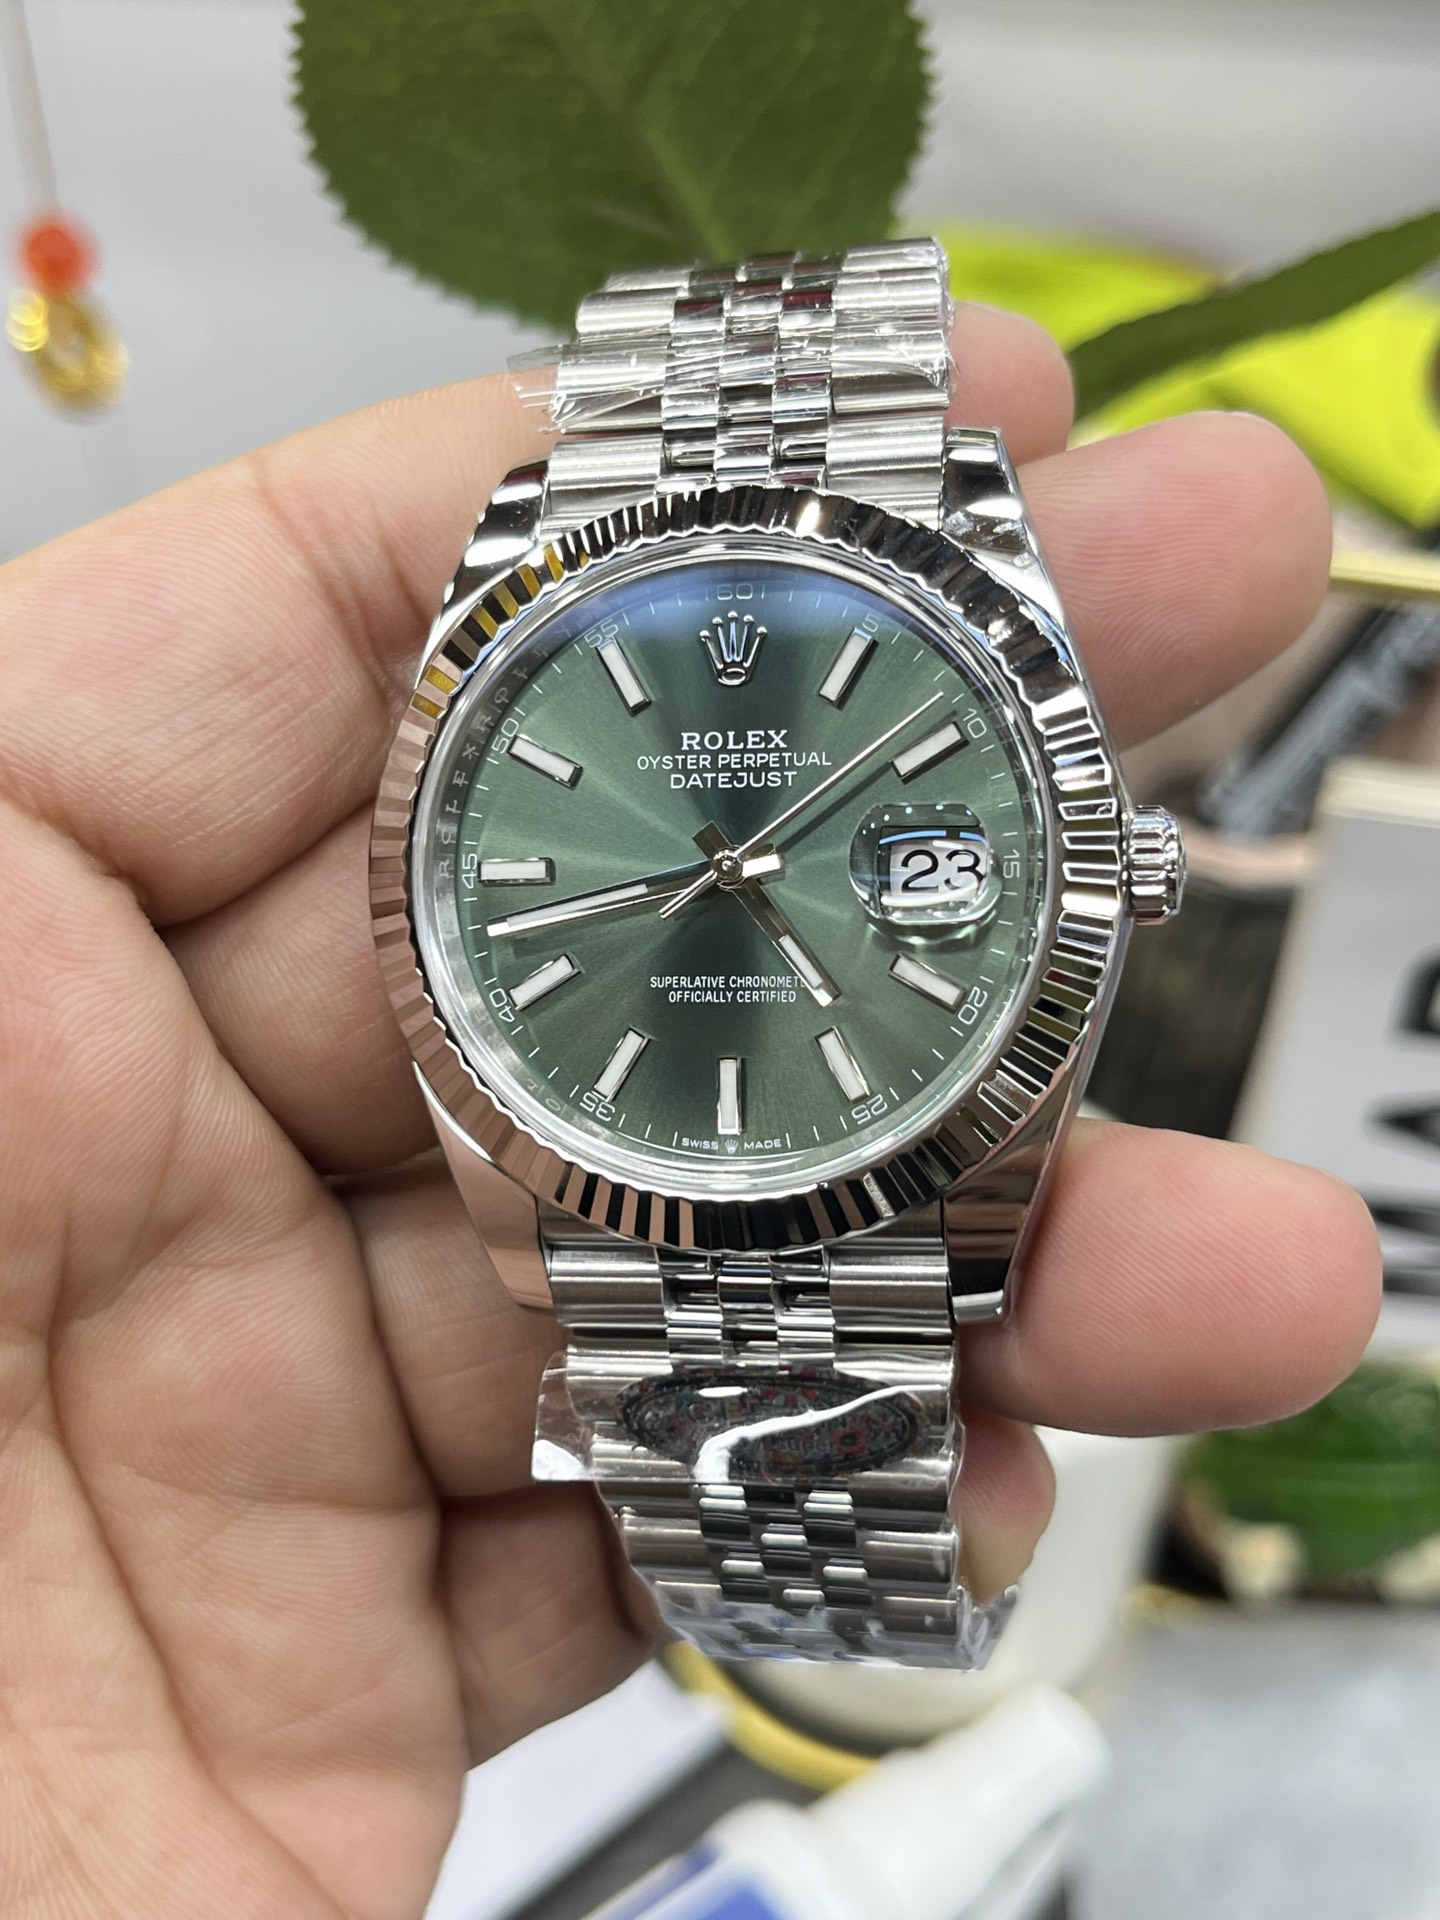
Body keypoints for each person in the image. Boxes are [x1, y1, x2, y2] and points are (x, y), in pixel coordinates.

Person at [0, 305, 1380, 1916]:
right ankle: (780, 1616)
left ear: (1115, 868)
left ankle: (786, 1614)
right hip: (629, 1132)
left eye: (744, 859)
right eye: (717, 857)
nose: (730, 865)